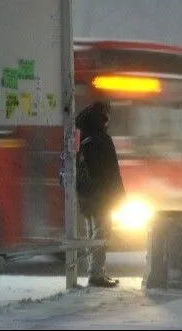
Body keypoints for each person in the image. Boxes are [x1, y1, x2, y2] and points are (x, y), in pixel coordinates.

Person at [75, 101, 126, 288]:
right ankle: (96, 274)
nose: (107, 120)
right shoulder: (98, 139)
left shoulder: (85, 136)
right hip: (101, 198)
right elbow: (110, 173)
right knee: (100, 235)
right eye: (106, 116)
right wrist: (118, 196)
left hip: (88, 197)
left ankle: (95, 271)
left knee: (93, 234)